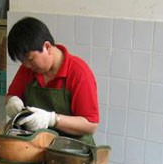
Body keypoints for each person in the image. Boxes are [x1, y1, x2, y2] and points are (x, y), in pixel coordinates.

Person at [6, 16, 99, 145]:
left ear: (47, 47)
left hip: (72, 150)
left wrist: (53, 119)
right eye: (22, 61)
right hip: (36, 144)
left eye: (30, 59)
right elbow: (12, 95)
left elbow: (90, 124)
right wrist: (12, 101)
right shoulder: (27, 69)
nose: (26, 65)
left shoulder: (79, 73)